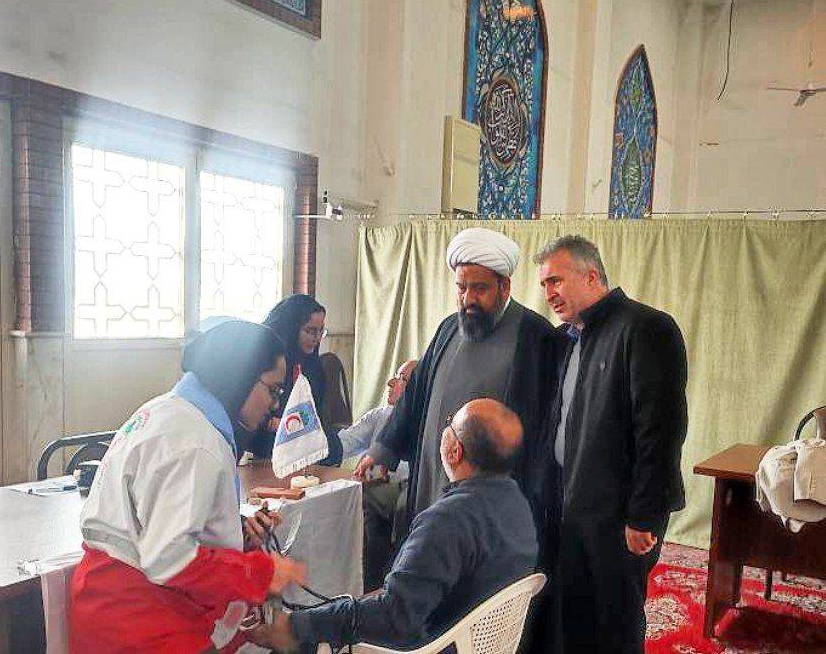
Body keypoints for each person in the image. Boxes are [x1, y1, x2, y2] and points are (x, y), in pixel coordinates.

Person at [69, 320, 307, 653]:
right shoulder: (196, 442)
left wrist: (234, 531)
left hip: (119, 603)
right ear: (240, 376)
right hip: (138, 617)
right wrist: (261, 573)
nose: (275, 404)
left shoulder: (167, 411)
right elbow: (168, 557)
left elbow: (157, 519)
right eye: (273, 390)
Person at [248, 398, 538, 651]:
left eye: (449, 423)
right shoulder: (518, 507)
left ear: (454, 452)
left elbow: (394, 617)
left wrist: (296, 626)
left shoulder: (447, 521)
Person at [534, 235, 688, 653]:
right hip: (570, 506)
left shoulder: (646, 328)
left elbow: (660, 431)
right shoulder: (567, 339)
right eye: (544, 284)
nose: (549, 293)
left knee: (614, 622)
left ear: (591, 276)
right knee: (573, 616)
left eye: (556, 281)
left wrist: (643, 516)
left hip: (620, 518)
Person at [356, 228, 561, 526]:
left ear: (504, 286)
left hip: (493, 493)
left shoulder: (536, 335)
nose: (468, 299)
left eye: (479, 289)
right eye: (461, 288)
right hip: (433, 477)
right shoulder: (448, 329)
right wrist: (383, 451)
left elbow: (545, 425)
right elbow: (415, 394)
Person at [338, 359, 417, 591]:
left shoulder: (426, 419)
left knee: (405, 504)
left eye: (401, 379)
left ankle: (399, 583)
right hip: (380, 491)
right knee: (364, 495)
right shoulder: (379, 416)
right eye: (395, 376)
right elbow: (344, 443)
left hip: (411, 491)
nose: (391, 383)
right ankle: (369, 584)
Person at [250, 294, 342, 465]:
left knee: (333, 446)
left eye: (321, 331)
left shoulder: (314, 368)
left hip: (299, 442)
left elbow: (316, 415)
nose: (316, 338)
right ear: (292, 329)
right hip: (265, 445)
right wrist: (278, 424)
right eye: (310, 331)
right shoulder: (267, 363)